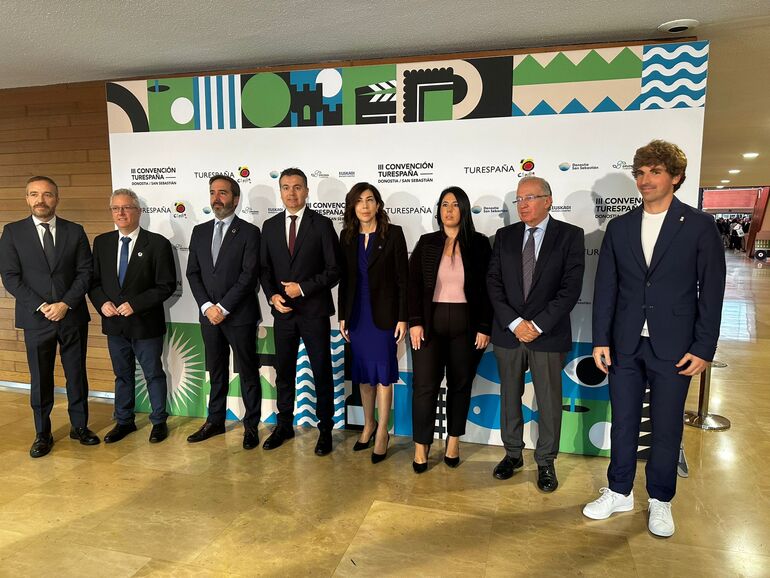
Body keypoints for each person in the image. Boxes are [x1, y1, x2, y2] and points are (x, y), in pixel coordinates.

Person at [583, 140, 726, 537]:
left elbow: (711, 291)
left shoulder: (698, 225)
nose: (645, 180)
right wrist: (600, 339)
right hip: (625, 343)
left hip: (675, 346)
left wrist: (704, 348)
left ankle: (661, 500)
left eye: (655, 172)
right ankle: (619, 491)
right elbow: (606, 287)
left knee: (665, 427)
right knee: (623, 422)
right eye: (641, 173)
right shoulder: (620, 227)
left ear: (676, 177)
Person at [487, 176, 585, 492]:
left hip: (548, 334)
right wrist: (516, 323)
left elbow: (570, 289)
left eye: (530, 197)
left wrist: (537, 325)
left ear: (548, 200)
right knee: (509, 396)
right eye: (519, 199)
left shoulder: (570, 236)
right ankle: (512, 454)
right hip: (509, 333)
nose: (523, 204)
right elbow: (493, 283)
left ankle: (545, 461)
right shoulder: (504, 237)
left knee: (549, 400)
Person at [0, 176, 100, 457]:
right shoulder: (12, 232)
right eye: (34, 194)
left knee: (76, 374)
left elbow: (85, 272)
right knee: (40, 377)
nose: (40, 200)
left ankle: (79, 427)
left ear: (56, 198)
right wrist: (42, 305)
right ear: (27, 198)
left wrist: (66, 303)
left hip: (72, 316)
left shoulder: (75, 231)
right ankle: (42, 433)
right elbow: (10, 276)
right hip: (36, 318)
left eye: (47, 194)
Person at [408, 186, 492, 473]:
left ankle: (453, 441)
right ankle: (421, 446)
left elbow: (488, 289)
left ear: (464, 209)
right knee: (424, 386)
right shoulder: (427, 242)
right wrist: (415, 321)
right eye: (444, 204)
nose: (449, 210)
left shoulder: (479, 244)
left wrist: (484, 325)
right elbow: (413, 285)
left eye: (455, 205)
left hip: (466, 325)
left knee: (460, 384)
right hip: (428, 324)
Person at [260, 168, 341, 456]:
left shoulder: (322, 224)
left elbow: (334, 270)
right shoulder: (269, 226)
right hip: (283, 313)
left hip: (314, 312)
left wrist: (302, 288)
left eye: (297, 187)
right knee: (284, 372)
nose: (291, 193)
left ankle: (326, 429)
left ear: (307, 191)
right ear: (280, 191)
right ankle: (284, 425)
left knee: (321, 371)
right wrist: (272, 296)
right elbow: (264, 270)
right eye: (285, 187)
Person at [89, 189, 177, 444]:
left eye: (126, 207)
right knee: (122, 375)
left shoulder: (157, 243)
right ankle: (124, 420)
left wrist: (135, 305)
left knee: (153, 374)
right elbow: (93, 282)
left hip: (145, 323)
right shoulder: (102, 242)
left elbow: (166, 285)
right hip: (114, 324)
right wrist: (102, 303)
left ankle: (158, 421)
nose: (121, 213)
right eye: (115, 208)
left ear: (138, 211)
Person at [186, 175, 262, 449]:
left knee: (248, 372)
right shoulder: (199, 231)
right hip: (209, 317)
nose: (216, 198)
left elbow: (249, 276)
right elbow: (193, 273)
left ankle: (251, 426)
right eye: (212, 192)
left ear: (235, 199)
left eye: (222, 193)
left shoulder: (250, 232)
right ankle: (214, 421)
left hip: (239, 315)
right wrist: (208, 307)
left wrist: (224, 307)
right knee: (216, 371)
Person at [338, 182, 408, 463]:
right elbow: (345, 280)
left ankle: (382, 431)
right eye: (359, 201)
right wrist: (343, 315)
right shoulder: (347, 236)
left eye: (369, 200)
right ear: (352, 206)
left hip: (384, 317)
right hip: (357, 316)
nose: (364, 206)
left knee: (382, 376)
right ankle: (368, 424)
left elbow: (403, 280)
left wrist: (402, 317)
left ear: (378, 205)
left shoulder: (393, 234)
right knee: (364, 375)